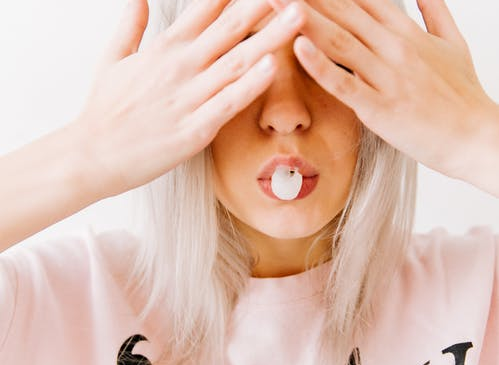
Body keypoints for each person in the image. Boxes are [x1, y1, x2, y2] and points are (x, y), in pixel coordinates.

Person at [0, 0, 497, 363]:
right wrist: (84, 152)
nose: (286, 115)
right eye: (237, 62)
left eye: (325, 59)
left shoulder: (478, 292)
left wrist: (477, 137)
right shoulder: (54, 300)